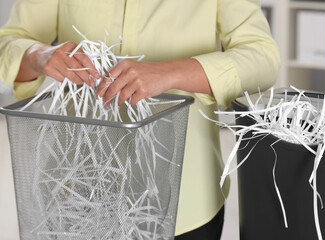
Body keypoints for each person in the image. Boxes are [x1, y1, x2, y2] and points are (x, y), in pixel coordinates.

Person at [0, 0, 280, 239]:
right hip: (77, 193)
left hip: (183, 199)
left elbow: (262, 57)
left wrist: (170, 73)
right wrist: (39, 55)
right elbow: (10, 40)